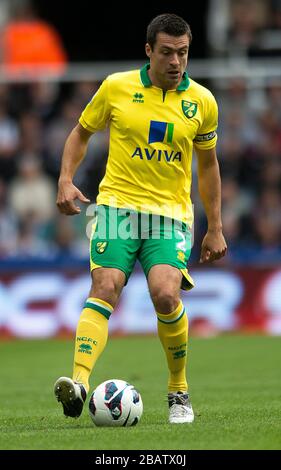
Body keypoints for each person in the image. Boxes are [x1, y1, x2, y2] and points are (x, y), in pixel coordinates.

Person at [54, 13, 227, 424]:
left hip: (169, 214)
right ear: (149, 51)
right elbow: (81, 131)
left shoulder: (202, 101)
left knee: (167, 294)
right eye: (167, 52)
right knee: (105, 284)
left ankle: (178, 391)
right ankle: (78, 383)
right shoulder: (116, 87)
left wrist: (215, 227)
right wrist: (65, 179)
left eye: (183, 53)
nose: (176, 62)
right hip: (115, 206)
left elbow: (208, 166)